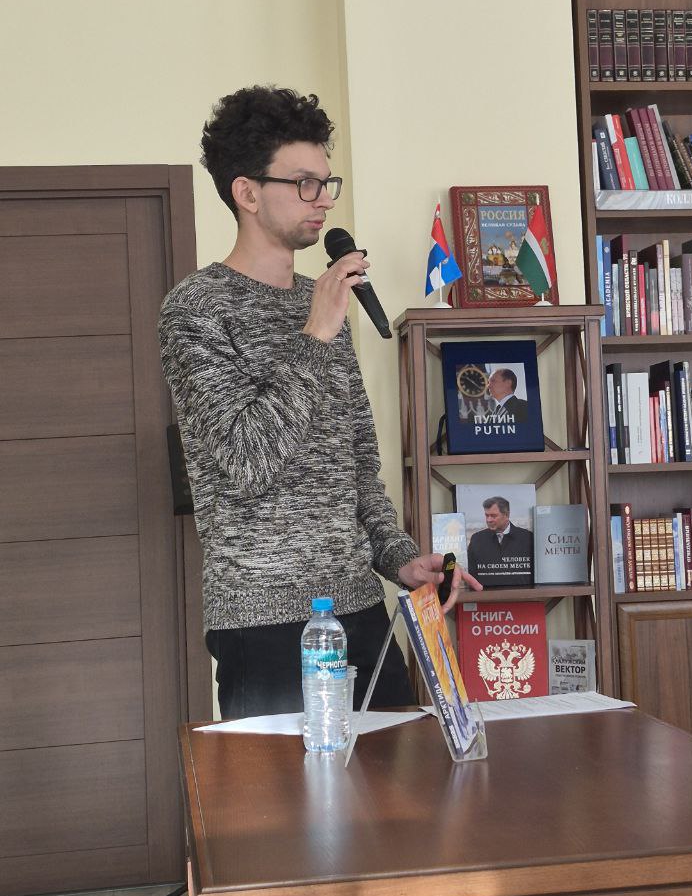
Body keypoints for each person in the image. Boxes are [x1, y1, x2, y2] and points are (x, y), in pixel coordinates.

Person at [158, 85, 478, 719]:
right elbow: (248, 463)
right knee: (284, 789)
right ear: (247, 193)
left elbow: (358, 470)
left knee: (401, 778)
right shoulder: (195, 310)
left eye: (327, 183)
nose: (325, 199)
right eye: (304, 183)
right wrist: (314, 334)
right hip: (262, 624)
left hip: (361, 608)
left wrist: (401, 559)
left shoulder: (326, 306)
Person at [467, 496, 534, 589]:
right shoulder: (477, 539)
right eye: (487, 515)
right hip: (486, 596)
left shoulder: (527, 538)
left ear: (506, 515)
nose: (489, 520)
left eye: (493, 516)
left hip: (521, 595)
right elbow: (471, 574)